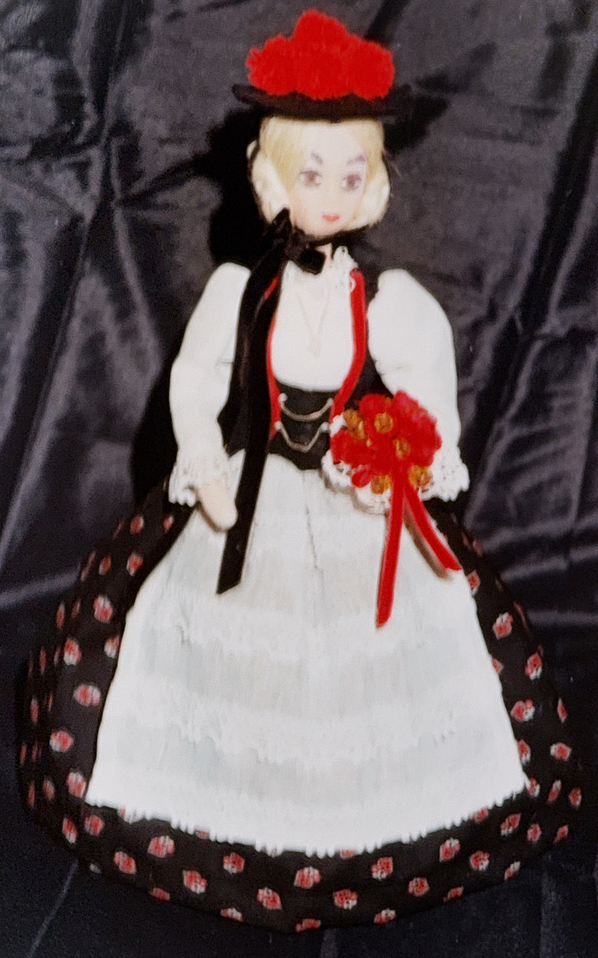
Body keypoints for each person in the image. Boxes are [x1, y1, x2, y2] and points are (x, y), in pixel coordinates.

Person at [21, 11, 583, 932]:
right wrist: (203, 459)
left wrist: (407, 454)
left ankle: (389, 823)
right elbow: (197, 380)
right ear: (269, 176)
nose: (330, 194)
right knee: (211, 648)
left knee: (389, 660)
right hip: (256, 492)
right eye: (309, 174)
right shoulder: (240, 290)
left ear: (375, 183)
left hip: (355, 496)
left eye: (350, 174)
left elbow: (428, 398)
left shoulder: (390, 302)